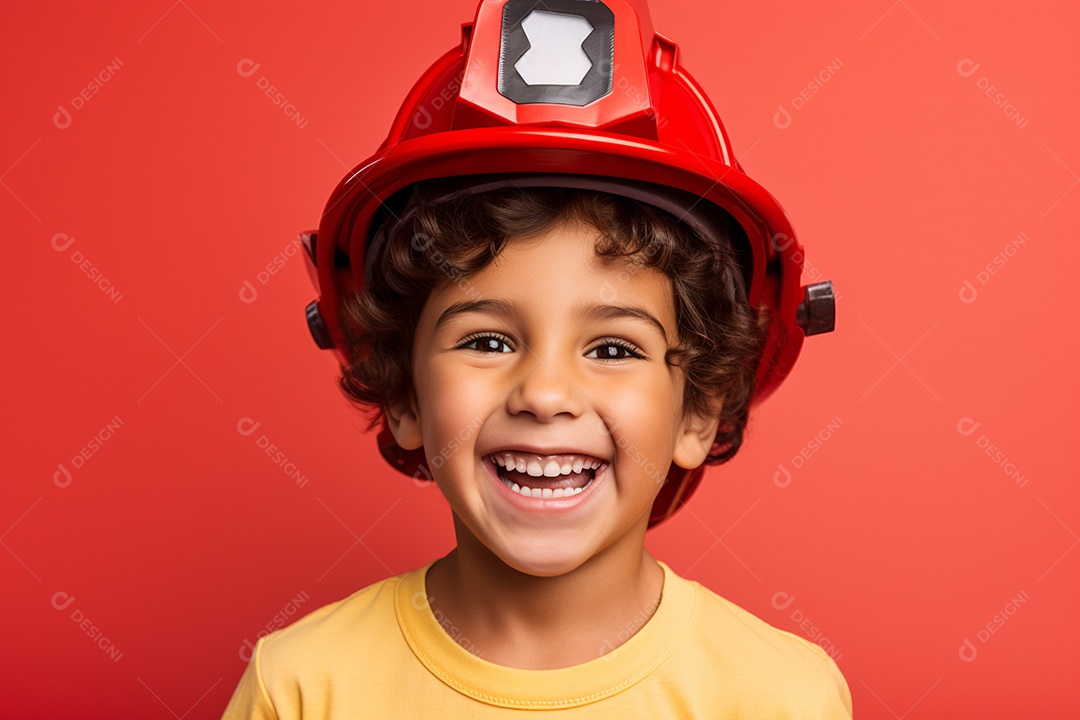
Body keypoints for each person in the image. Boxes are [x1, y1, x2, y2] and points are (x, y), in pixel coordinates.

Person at [222, 0, 848, 717]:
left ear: (700, 407)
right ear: (403, 395)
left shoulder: (779, 698)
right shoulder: (302, 686)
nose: (545, 393)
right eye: (487, 341)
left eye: (614, 348)